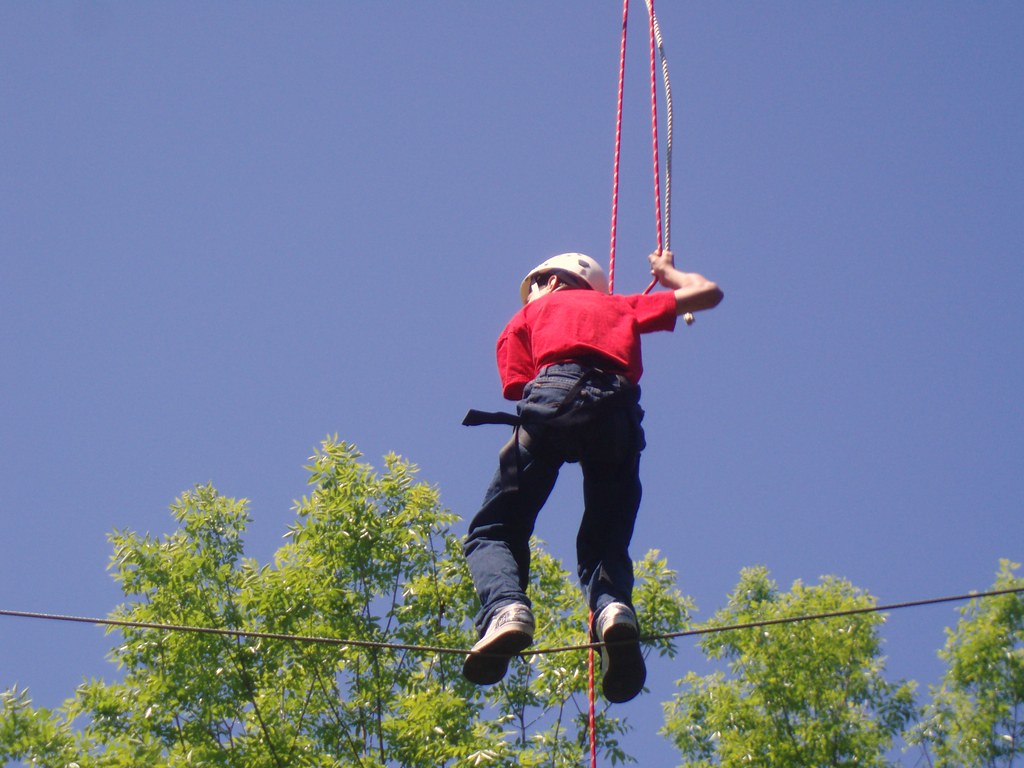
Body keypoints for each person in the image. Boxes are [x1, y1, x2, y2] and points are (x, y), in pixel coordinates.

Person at [461, 248, 722, 703]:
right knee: (606, 539)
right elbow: (707, 293)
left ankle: (506, 610)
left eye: (536, 284)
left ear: (554, 282)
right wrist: (667, 274)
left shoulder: (529, 316)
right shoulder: (619, 305)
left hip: (553, 400)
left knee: (495, 529)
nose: (531, 295)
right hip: (618, 417)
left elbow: (517, 385)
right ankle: (612, 608)